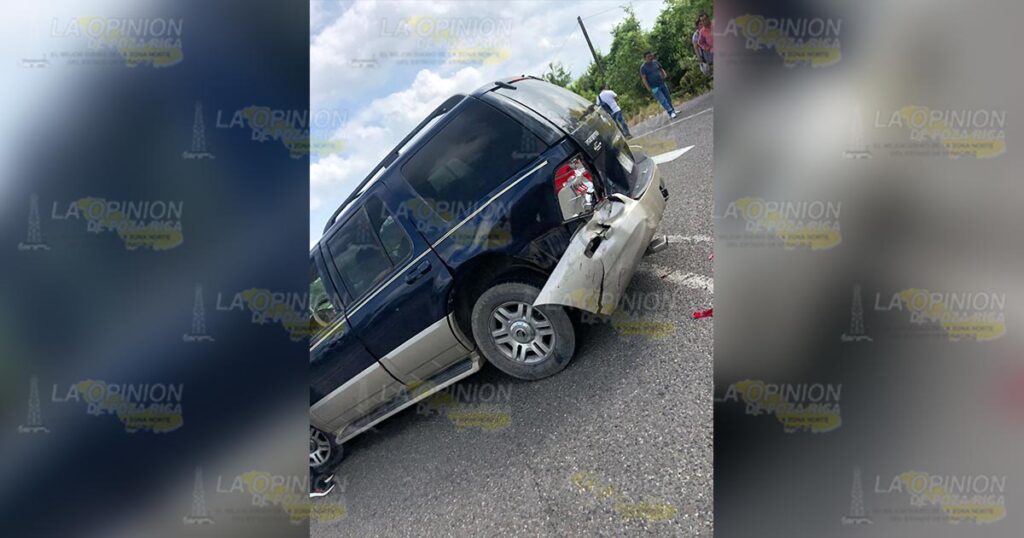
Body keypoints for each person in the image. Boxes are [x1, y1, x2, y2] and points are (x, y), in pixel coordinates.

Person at [639, 51, 677, 119]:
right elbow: (644, 78)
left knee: (668, 97)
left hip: (661, 83)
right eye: (648, 57)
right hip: (654, 87)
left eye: (651, 56)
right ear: (644, 59)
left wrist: (664, 74)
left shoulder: (655, 62)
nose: (650, 58)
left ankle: (673, 110)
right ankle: (670, 112)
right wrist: (648, 87)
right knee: (663, 100)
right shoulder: (643, 68)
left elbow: (661, 69)